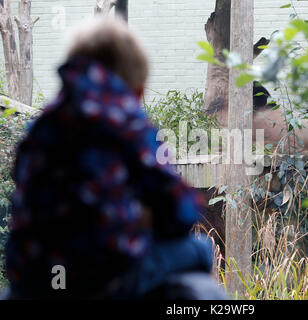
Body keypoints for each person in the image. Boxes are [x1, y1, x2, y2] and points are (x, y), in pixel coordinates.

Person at [2, 17, 226, 299]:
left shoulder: (39, 128)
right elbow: (177, 211)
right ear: (138, 90)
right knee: (199, 249)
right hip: (105, 275)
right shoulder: (126, 120)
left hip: (39, 277)